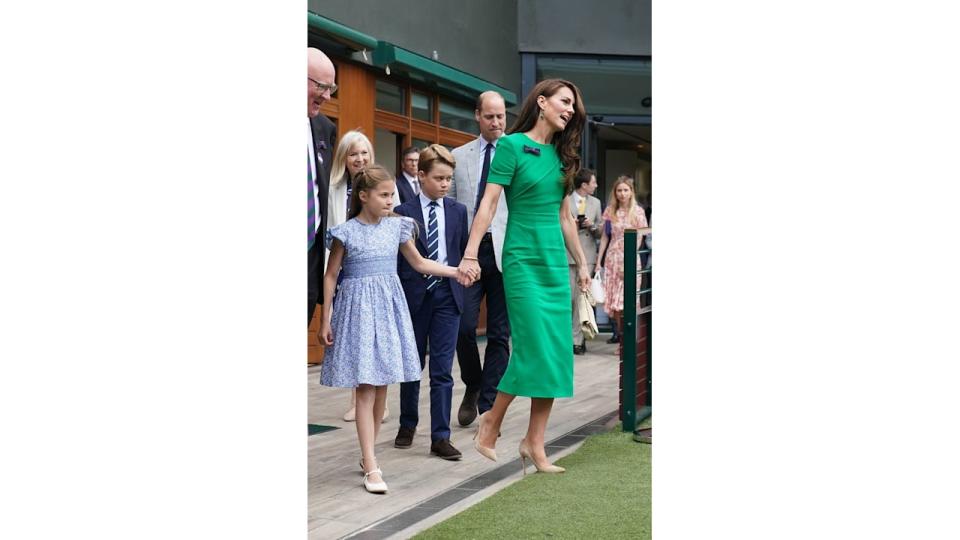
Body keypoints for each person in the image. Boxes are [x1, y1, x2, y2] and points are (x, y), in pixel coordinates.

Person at [459, 79, 590, 474]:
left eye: (574, 106)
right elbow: (488, 204)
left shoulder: (562, 158)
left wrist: (582, 264)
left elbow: (565, 218)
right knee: (533, 348)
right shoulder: (512, 146)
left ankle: (535, 443)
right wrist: (470, 253)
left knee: (553, 352)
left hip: (553, 261)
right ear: (543, 101)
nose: (570, 110)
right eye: (565, 102)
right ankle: (491, 421)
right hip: (520, 259)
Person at [319, 164, 474, 494]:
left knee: (382, 387)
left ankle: (368, 454)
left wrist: (455, 271)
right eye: (384, 195)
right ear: (364, 196)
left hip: (388, 309)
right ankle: (371, 465)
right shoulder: (345, 232)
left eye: (393, 194)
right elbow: (331, 275)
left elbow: (419, 264)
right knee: (365, 386)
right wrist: (325, 320)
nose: (391, 200)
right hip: (357, 311)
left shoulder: (399, 228)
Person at [393, 145, 469, 460]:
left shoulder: (458, 211)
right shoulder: (402, 213)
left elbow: (462, 251)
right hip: (413, 297)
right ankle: (407, 423)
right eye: (438, 177)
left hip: (447, 297)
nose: (444, 184)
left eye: (449, 178)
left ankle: (440, 436)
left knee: (442, 370)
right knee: (412, 364)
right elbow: (401, 261)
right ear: (421, 175)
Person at [449, 91, 510, 428]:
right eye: (490, 116)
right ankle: (473, 383)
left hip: (504, 252)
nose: (496, 122)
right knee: (464, 327)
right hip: (469, 253)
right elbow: (455, 207)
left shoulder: (516, 153)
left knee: (500, 333)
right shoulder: (459, 156)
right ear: (477, 116)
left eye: (501, 116)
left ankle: (487, 405)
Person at [325, 131, 389, 423]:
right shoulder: (335, 188)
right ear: (344, 159)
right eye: (353, 154)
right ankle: (357, 397)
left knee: (375, 336)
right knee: (353, 335)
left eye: (363, 152)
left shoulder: (381, 187)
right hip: (345, 269)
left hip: (374, 272)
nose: (359, 159)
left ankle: (375, 398)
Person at [594, 175, 649, 342]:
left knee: (628, 301)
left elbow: (642, 236)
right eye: (619, 190)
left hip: (630, 259)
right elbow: (605, 237)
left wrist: (630, 258)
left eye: (626, 190)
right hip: (612, 260)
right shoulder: (610, 210)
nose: (622, 193)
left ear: (631, 192)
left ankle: (631, 339)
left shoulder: (638, 211)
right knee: (615, 305)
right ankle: (622, 338)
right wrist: (598, 262)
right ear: (615, 192)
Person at [307, 48, 335, 324]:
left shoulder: (325, 128)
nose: (327, 96)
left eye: (331, 88)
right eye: (322, 86)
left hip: (309, 256)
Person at [566, 168, 602, 355]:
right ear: (584, 185)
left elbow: (601, 231)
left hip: (586, 257)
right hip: (566, 256)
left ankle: (577, 341)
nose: (596, 185)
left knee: (581, 300)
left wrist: (592, 225)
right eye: (593, 182)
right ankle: (565, 338)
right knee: (568, 299)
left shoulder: (596, 203)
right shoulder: (565, 199)